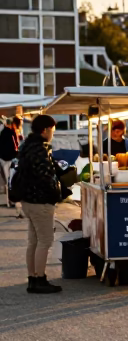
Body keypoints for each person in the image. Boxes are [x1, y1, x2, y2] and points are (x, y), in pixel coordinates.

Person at [10, 114, 65, 294]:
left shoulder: (26, 146)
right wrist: (57, 192)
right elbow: (46, 178)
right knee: (45, 241)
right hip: (40, 201)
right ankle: (40, 278)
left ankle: (33, 278)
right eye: (52, 130)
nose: (53, 134)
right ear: (45, 130)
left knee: (33, 241)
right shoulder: (40, 149)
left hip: (27, 200)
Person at [0, 115, 22, 207]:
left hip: (4, 158)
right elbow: (13, 147)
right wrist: (16, 154)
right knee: (10, 180)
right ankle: (11, 200)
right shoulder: (10, 133)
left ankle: (9, 201)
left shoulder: (4, 132)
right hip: (8, 159)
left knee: (7, 180)